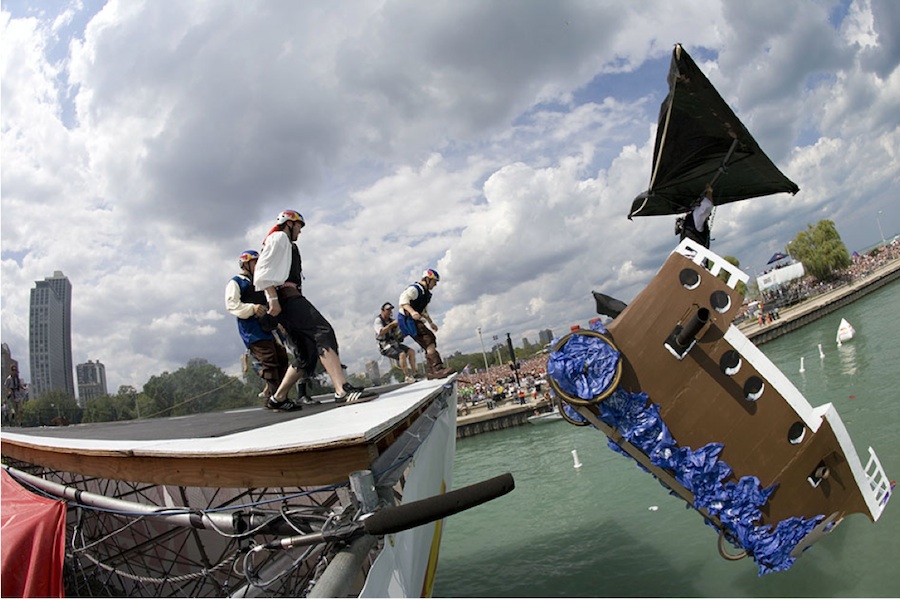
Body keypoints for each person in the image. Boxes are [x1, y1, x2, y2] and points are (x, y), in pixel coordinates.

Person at [254, 210, 373, 409]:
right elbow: (262, 271)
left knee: (306, 354)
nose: (300, 232)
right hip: (287, 298)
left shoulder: (289, 244)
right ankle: (342, 390)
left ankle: (278, 398)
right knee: (322, 331)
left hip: (287, 299)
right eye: (299, 227)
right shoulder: (279, 237)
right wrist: (272, 299)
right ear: (289, 223)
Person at [225, 250, 290, 402]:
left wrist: (279, 323)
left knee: (282, 359)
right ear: (246, 264)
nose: (258, 265)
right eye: (255, 262)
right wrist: (252, 308)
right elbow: (231, 304)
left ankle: (278, 395)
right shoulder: (236, 282)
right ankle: (275, 399)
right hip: (253, 329)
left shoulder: (261, 282)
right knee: (269, 360)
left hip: (270, 327)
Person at [397, 269, 454, 380]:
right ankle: (436, 369)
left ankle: (431, 371)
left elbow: (423, 311)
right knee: (429, 339)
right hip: (407, 318)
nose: (436, 284)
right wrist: (412, 312)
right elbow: (403, 301)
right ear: (427, 279)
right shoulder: (415, 289)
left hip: (413, 318)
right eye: (434, 281)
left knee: (428, 341)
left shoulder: (425, 294)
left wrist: (431, 322)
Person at [374, 302, 418, 383]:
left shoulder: (392, 320)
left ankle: (415, 373)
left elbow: (399, 332)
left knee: (411, 352)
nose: (389, 312)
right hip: (384, 346)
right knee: (402, 354)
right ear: (382, 311)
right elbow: (381, 332)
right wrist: (391, 325)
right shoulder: (378, 320)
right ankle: (407, 377)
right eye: (387, 310)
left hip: (394, 344)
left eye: (390, 310)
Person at [677, 184, 715, 248]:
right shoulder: (696, 216)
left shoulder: (688, 220)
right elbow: (707, 204)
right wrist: (709, 191)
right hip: (694, 254)